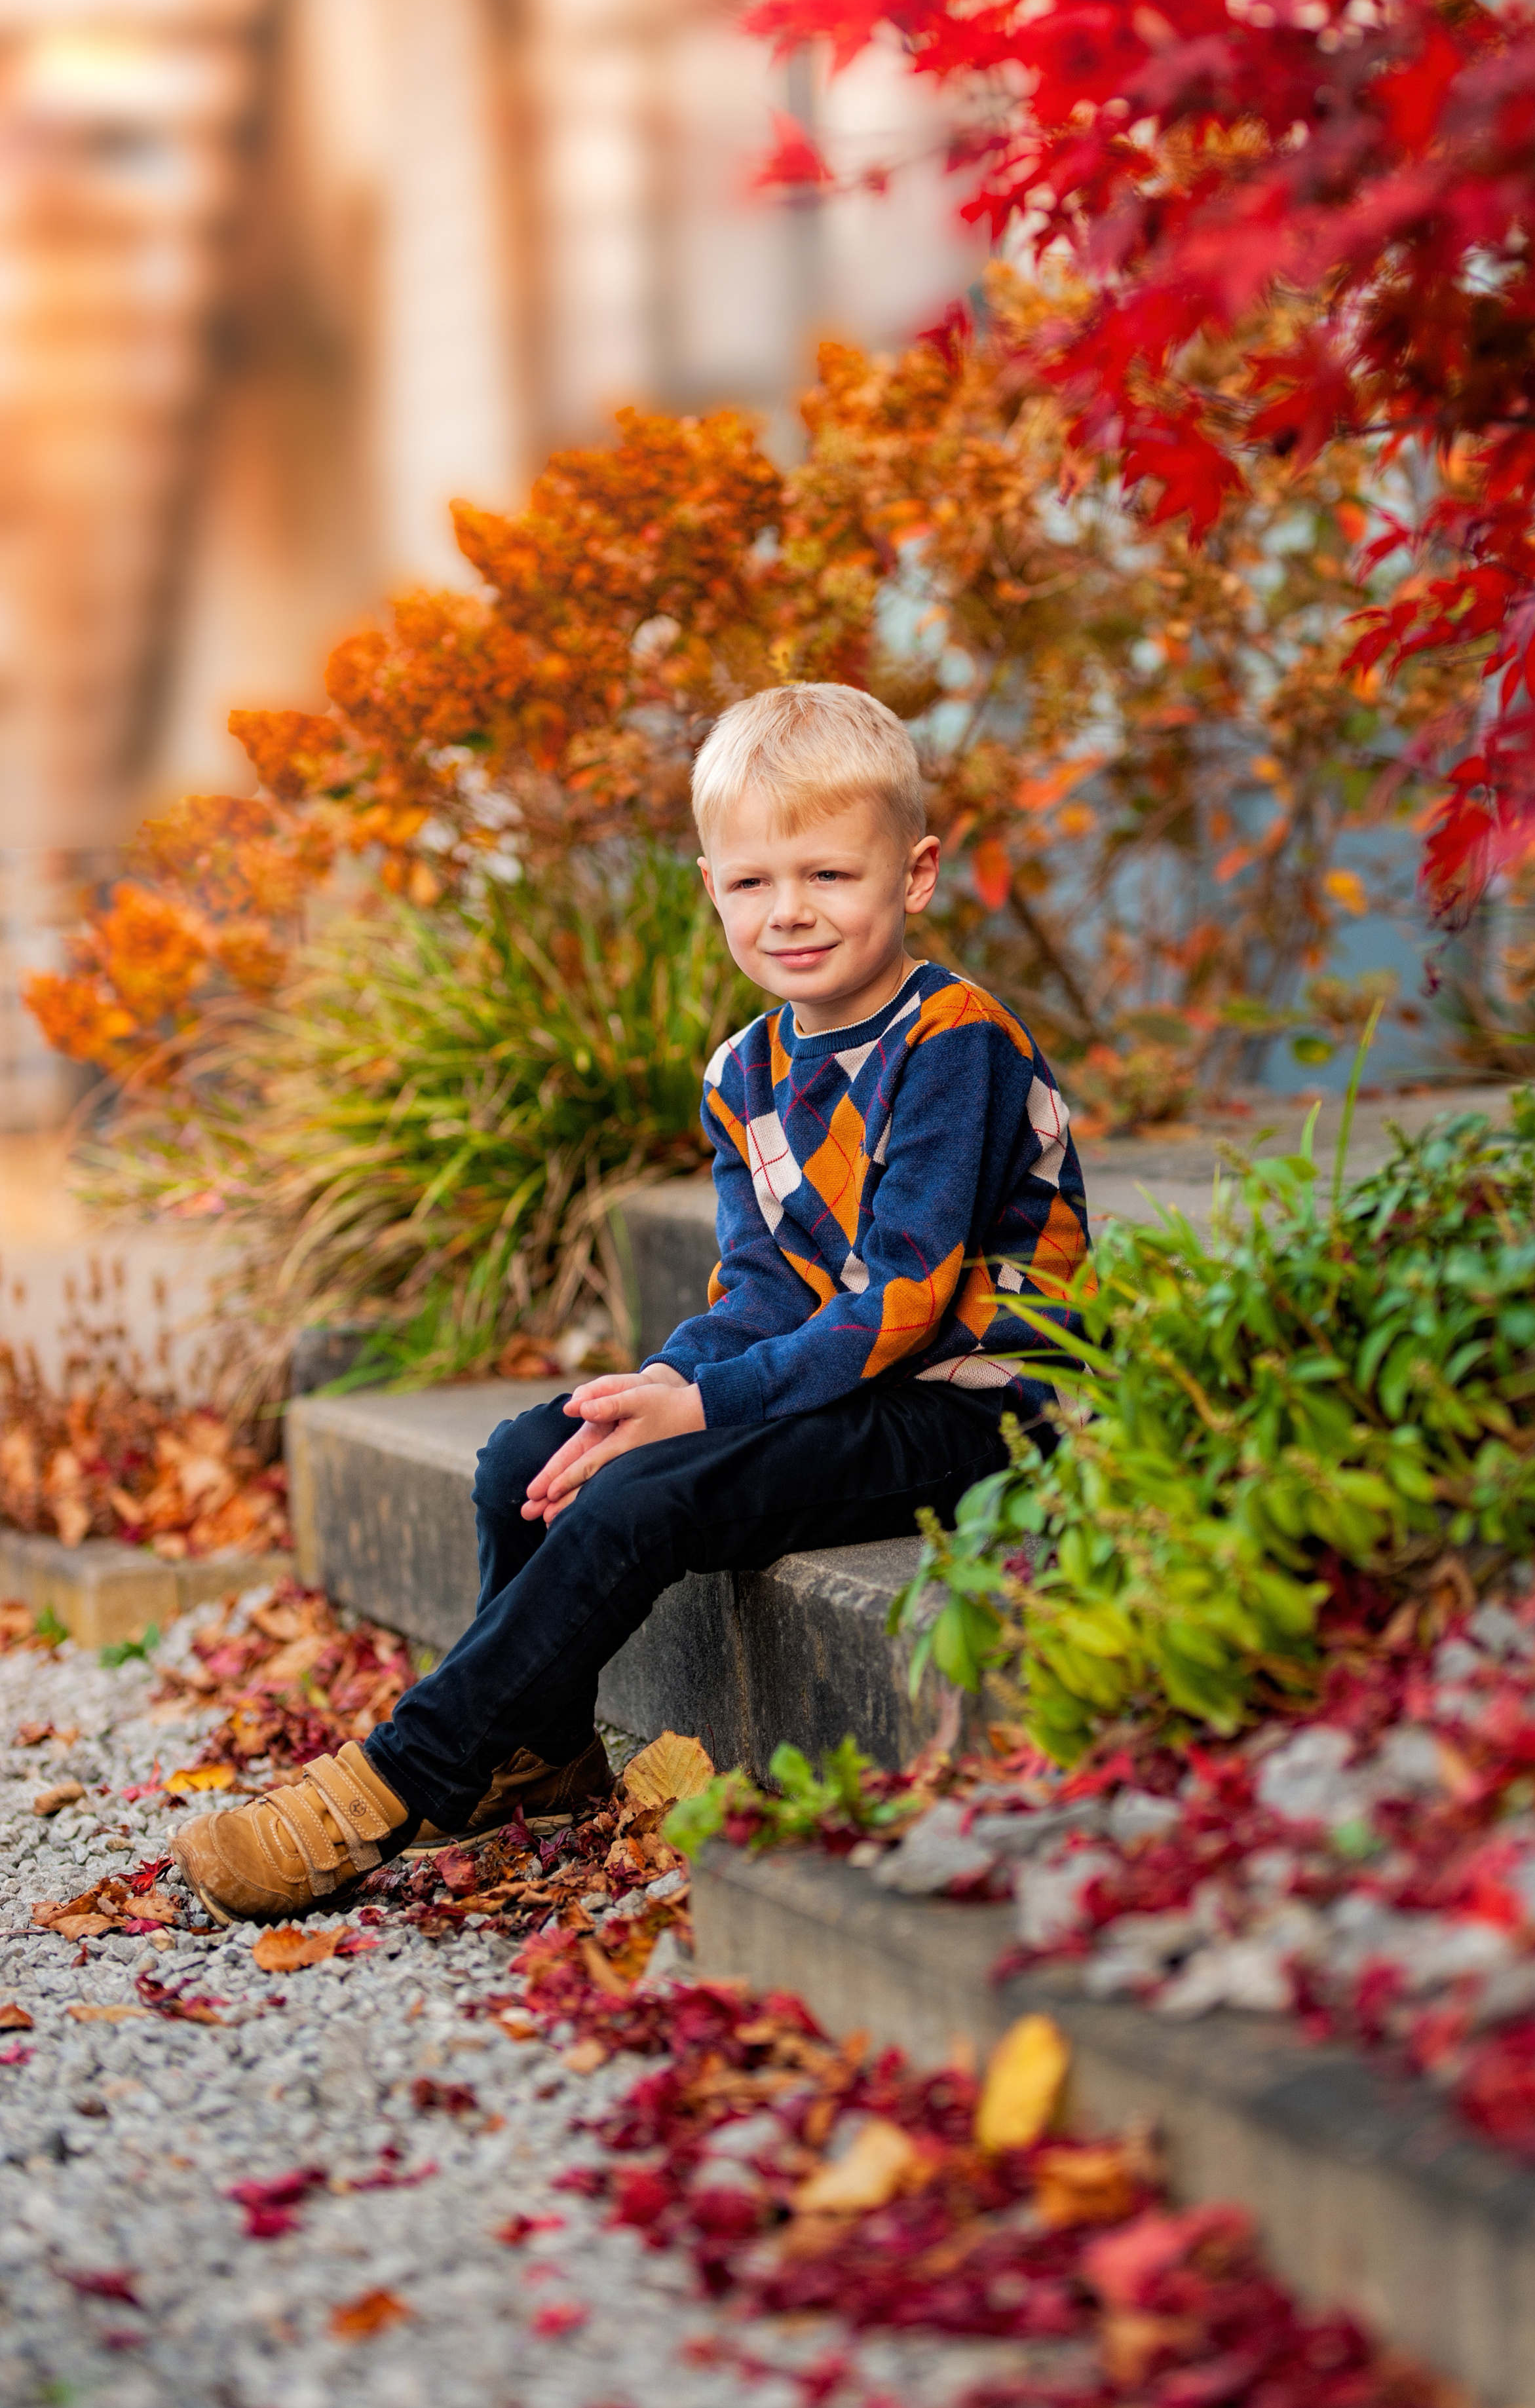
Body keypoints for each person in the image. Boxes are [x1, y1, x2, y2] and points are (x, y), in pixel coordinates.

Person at [170, 683, 1090, 1923]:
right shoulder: (745, 1073)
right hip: (846, 1385)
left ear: (915, 874)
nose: (790, 910)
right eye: (753, 881)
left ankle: (409, 1775)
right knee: (525, 1458)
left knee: (645, 1498)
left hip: (975, 1406)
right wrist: (659, 1387)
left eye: (829, 874)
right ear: (711, 887)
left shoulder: (952, 1040)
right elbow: (763, 1287)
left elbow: (904, 1303)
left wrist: (700, 1414)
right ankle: (538, 1754)